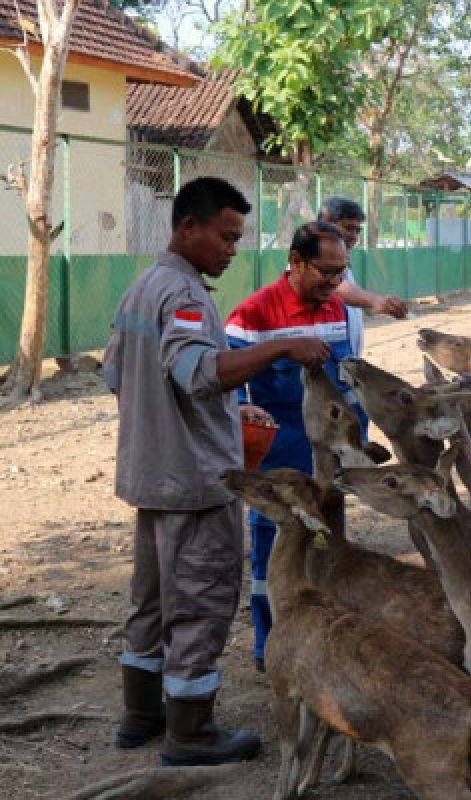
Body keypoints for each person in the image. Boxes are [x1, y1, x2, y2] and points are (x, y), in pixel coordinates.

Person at [103, 177, 330, 765]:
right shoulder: (184, 295)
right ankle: (192, 733)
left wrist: (228, 409)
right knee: (200, 604)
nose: (233, 249)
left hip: (151, 474)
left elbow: (118, 375)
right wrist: (282, 347)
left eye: (238, 238)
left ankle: (141, 716)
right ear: (189, 228)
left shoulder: (142, 287)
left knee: (150, 601)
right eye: (226, 237)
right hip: (196, 484)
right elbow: (198, 372)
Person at [223, 221, 366, 671]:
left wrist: (357, 442)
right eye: (326, 271)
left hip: (329, 463)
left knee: (329, 547)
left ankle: (326, 639)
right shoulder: (251, 317)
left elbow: (348, 383)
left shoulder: (337, 310)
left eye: (341, 272)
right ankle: (273, 646)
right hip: (280, 464)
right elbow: (231, 395)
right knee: (275, 554)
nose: (334, 282)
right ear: (297, 262)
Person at [318, 196, 408, 356]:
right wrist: (375, 300)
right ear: (325, 224)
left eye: (357, 230)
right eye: (348, 228)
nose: (353, 236)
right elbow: (335, 287)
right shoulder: (310, 258)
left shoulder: (341, 260)